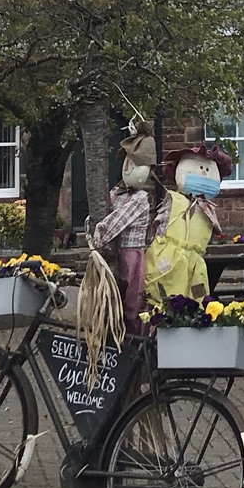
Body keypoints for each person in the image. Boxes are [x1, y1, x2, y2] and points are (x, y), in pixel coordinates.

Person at [88, 125, 158, 336]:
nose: (128, 168)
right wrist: (92, 225)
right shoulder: (116, 192)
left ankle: (136, 340)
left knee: (133, 302)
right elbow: (98, 216)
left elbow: (114, 223)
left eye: (135, 164)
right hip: (115, 253)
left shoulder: (140, 199)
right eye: (127, 162)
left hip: (131, 255)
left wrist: (96, 237)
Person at [144, 143, 231, 308]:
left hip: (195, 264)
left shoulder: (208, 209)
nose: (203, 173)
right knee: (165, 298)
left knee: (197, 299)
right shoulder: (175, 200)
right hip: (170, 259)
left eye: (208, 170)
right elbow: (159, 225)